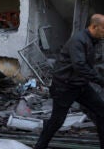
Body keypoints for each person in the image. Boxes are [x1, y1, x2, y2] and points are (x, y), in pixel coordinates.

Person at [34, 14, 104, 149]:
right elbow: (80, 66)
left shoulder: (92, 40)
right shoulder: (79, 40)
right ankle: (40, 147)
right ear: (94, 27)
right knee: (57, 121)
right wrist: (100, 81)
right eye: (103, 30)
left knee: (101, 112)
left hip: (80, 85)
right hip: (65, 86)